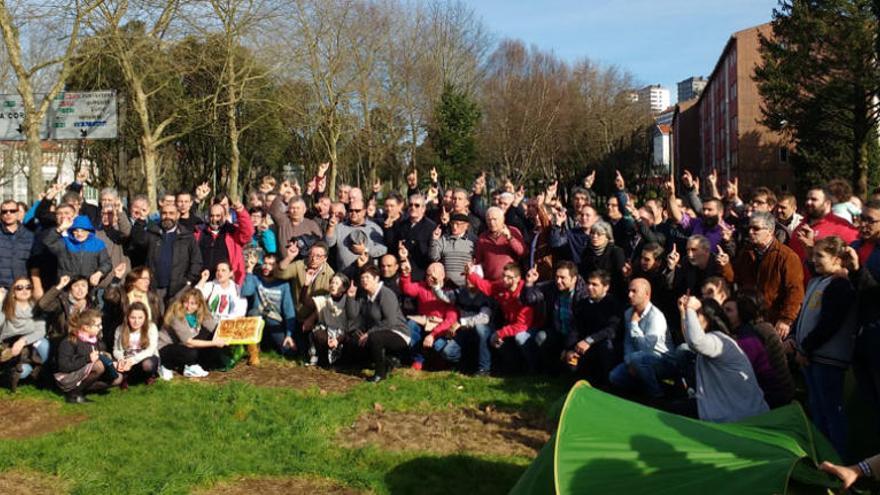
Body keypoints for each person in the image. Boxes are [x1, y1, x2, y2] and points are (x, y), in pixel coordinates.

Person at [790, 236, 857, 458]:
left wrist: (805, 348)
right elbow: (806, 316)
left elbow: (829, 324)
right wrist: (795, 339)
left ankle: (839, 460)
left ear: (837, 259)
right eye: (813, 254)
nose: (814, 260)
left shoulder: (839, 285)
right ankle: (823, 457)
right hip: (812, 357)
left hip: (827, 358)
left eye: (820, 256)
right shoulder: (818, 281)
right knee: (818, 410)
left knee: (831, 412)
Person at [678, 296, 769, 422]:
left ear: (708, 318)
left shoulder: (719, 340)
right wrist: (684, 312)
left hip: (739, 416)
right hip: (733, 409)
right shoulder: (719, 340)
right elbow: (691, 342)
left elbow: (696, 341)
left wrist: (691, 309)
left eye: (697, 315)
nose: (693, 319)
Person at [733, 211, 805, 339]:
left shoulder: (787, 256)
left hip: (773, 322)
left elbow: (795, 291)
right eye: (749, 228)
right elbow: (736, 279)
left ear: (770, 231)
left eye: (756, 228)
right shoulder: (746, 253)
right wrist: (724, 265)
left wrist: (786, 319)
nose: (750, 232)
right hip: (747, 319)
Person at [722, 293, 795, 408]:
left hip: (773, 396)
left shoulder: (754, 333)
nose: (724, 314)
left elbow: (741, 370)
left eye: (729, 310)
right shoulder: (753, 330)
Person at [608, 278, 678, 399]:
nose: (630, 295)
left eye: (634, 291)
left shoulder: (656, 316)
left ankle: (657, 396)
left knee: (638, 359)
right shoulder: (628, 313)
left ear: (647, 294)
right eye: (629, 291)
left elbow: (647, 348)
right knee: (615, 377)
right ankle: (645, 391)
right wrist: (629, 361)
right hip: (637, 360)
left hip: (663, 360)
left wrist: (634, 325)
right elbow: (628, 342)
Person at [466, 262, 538, 372]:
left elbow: (521, 325)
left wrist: (500, 333)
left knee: (520, 337)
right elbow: (487, 286)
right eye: (503, 276)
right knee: (495, 341)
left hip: (528, 328)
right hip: (510, 326)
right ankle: (514, 367)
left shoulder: (525, 294)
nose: (505, 279)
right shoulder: (502, 287)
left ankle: (534, 368)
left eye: (509, 277)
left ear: (518, 278)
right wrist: (470, 274)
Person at [521, 261, 590, 373]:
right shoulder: (551, 287)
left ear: (574, 279)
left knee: (573, 368)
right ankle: (551, 369)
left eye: (563, 278)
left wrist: (568, 349)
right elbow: (529, 300)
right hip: (557, 333)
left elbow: (578, 326)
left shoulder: (584, 295)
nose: (558, 281)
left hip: (577, 338)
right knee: (541, 337)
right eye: (557, 277)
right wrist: (529, 283)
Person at [346, 265, 410, 382]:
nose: (364, 280)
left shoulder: (386, 294)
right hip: (376, 332)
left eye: (367, 277)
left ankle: (380, 374)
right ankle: (388, 362)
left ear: (376, 279)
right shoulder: (365, 296)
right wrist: (350, 297)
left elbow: (390, 321)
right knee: (354, 339)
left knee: (375, 338)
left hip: (398, 332)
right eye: (362, 278)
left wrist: (369, 333)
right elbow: (352, 315)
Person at [558, 269, 622, 386]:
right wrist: (569, 349)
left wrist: (589, 340)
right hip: (582, 347)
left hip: (601, 345)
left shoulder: (613, 304)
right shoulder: (582, 304)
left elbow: (611, 330)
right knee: (572, 365)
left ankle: (607, 384)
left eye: (595, 285)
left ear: (606, 287)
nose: (589, 287)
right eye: (588, 283)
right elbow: (575, 328)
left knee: (606, 346)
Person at [130, 202, 203, 303]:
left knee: (173, 319)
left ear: (177, 215)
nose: (167, 216)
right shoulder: (152, 233)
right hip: (155, 288)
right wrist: (141, 219)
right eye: (164, 213)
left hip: (178, 290)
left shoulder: (187, 236)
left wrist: (187, 282)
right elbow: (138, 240)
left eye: (171, 213)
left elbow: (196, 261)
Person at [399, 260, 459, 370]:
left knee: (438, 346)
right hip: (424, 322)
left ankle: (440, 360)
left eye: (433, 276)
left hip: (441, 327)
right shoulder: (422, 286)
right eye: (427, 275)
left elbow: (451, 319)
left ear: (442, 275)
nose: (429, 278)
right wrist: (406, 275)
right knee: (411, 325)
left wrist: (433, 334)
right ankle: (418, 359)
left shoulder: (450, 293)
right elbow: (407, 289)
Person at [158, 288, 228, 378]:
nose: (188, 307)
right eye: (186, 302)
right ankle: (167, 365)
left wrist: (228, 336)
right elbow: (189, 343)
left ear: (199, 305)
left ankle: (192, 364)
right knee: (191, 353)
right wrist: (214, 343)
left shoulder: (199, 313)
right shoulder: (176, 314)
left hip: (183, 345)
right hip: (166, 346)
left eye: (193, 304)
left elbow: (214, 327)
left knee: (212, 336)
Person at [55, 309, 123, 403]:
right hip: (67, 377)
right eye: (97, 325)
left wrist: (112, 363)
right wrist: (87, 359)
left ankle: (81, 389)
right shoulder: (69, 341)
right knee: (98, 366)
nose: (101, 327)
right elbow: (63, 366)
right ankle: (74, 395)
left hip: (85, 375)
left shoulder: (95, 340)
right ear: (86, 327)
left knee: (118, 378)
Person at [242, 252, 296, 361]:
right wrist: (249, 271)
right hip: (258, 318)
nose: (267, 267)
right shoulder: (255, 279)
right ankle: (253, 351)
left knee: (289, 351)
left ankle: (268, 344)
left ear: (277, 266)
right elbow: (246, 292)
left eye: (271, 264)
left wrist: (289, 334)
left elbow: (289, 311)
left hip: (274, 321)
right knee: (253, 312)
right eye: (265, 263)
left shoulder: (283, 285)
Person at [0, 278, 48, 391]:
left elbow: (41, 331)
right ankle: (25, 371)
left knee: (44, 344)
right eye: (19, 288)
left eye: (28, 287)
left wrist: (23, 341)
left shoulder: (36, 307)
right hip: (9, 344)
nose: (24, 290)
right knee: (22, 372)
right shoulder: (6, 307)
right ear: (13, 292)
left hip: (29, 342)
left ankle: (44, 374)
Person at [103, 265, 164, 349]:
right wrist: (116, 278)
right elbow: (108, 296)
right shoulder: (123, 295)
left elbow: (157, 319)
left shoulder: (152, 298)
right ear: (134, 280)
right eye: (144, 279)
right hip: (125, 338)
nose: (148, 282)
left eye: (148, 279)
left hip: (146, 338)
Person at [195, 201, 254, 284]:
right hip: (202, 281)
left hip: (227, 282)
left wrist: (241, 212)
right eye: (212, 215)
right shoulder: (200, 233)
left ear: (225, 216)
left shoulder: (233, 232)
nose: (214, 219)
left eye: (218, 216)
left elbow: (248, 232)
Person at [44, 215, 111, 285]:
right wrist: (60, 229)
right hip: (66, 286)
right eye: (76, 231)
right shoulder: (65, 242)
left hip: (88, 286)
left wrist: (99, 273)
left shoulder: (98, 244)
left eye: (83, 230)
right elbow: (47, 242)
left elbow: (106, 263)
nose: (79, 234)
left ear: (89, 231)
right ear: (71, 231)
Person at [326, 198, 387, 271]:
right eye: (351, 210)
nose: (353, 213)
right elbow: (329, 243)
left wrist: (365, 250)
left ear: (364, 211)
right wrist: (331, 227)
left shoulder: (374, 228)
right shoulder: (340, 227)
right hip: (345, 275)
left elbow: (383, 249)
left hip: (367, 276)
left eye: (357, 211)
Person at [388, 194, 437, 281]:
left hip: (421, 274)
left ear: (423, 209)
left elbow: (432, 253)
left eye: (417, 205)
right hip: (403, 272)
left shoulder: (431, 227)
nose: (413, 207)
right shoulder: (401, 225)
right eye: (410, 205)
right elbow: (393, 247)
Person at [310, 273, 354, 368]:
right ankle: (323, 361)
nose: (333, 285)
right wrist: (306, 284)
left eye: (337, 283)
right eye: (332, 282)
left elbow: (350, 324)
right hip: (328, 332)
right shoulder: (325, 299)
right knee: (318, 334)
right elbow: (306, 302)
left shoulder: (348, 301)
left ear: (344, 288)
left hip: (344, 334)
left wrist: (337, 340)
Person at [112, 302, 160, 387]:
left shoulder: (151, 327)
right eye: (133, 318)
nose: (136, 321)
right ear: (127, 317)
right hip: (127, 359)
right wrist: (122, 359)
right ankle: (128, 377)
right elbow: (116, 350)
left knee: (147, 364)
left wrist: (132, 360)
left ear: (145, 318)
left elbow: (150, 350)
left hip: (144, 358)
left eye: (140, 318)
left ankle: (149, 376)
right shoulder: (120, 329)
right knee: (115, 365)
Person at [475, 207, 526, 282]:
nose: (492, 223)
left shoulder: (513, 231)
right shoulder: (482, 238)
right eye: (489, 220)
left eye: (495, 219)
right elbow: (479, 261)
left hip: (511, 282)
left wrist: (510, 238)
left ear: (502, 219)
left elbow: (522, 252)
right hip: (491, 283)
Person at [429, 213, 475, 288]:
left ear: (466, 226)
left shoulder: (473, 241)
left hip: (466, 286)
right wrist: (434, 240)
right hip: (447, 286)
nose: (454, 227)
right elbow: (434, 257)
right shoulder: (444, 239)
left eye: (458, 224)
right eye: (452, 223)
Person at [0, 198, 35, 290]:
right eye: (4, 211)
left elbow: (34, 264)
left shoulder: (30, 236)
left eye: (12, 211)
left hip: (22, 288)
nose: (8, 214)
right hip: (2, 289)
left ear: (18, 213)